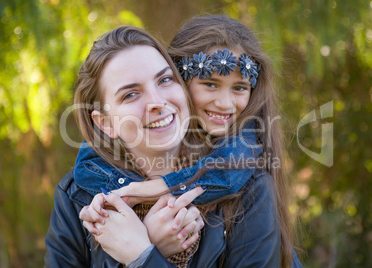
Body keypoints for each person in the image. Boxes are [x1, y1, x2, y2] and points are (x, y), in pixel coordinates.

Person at [79, 15, 302, 267]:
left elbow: (227, 172)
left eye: (239, 88)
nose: (225, 103)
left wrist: (144, 245)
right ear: (178, 80)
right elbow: (87, 164)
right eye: (210, 83)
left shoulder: (249, 173)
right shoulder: (81, 191)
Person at [45, 26, 206, 267]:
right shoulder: (76, 199)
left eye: (164, 79)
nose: (157, 102)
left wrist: (142, 254)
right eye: (130, 95)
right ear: (105, 123)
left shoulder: (238, 181)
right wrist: (144, 253)